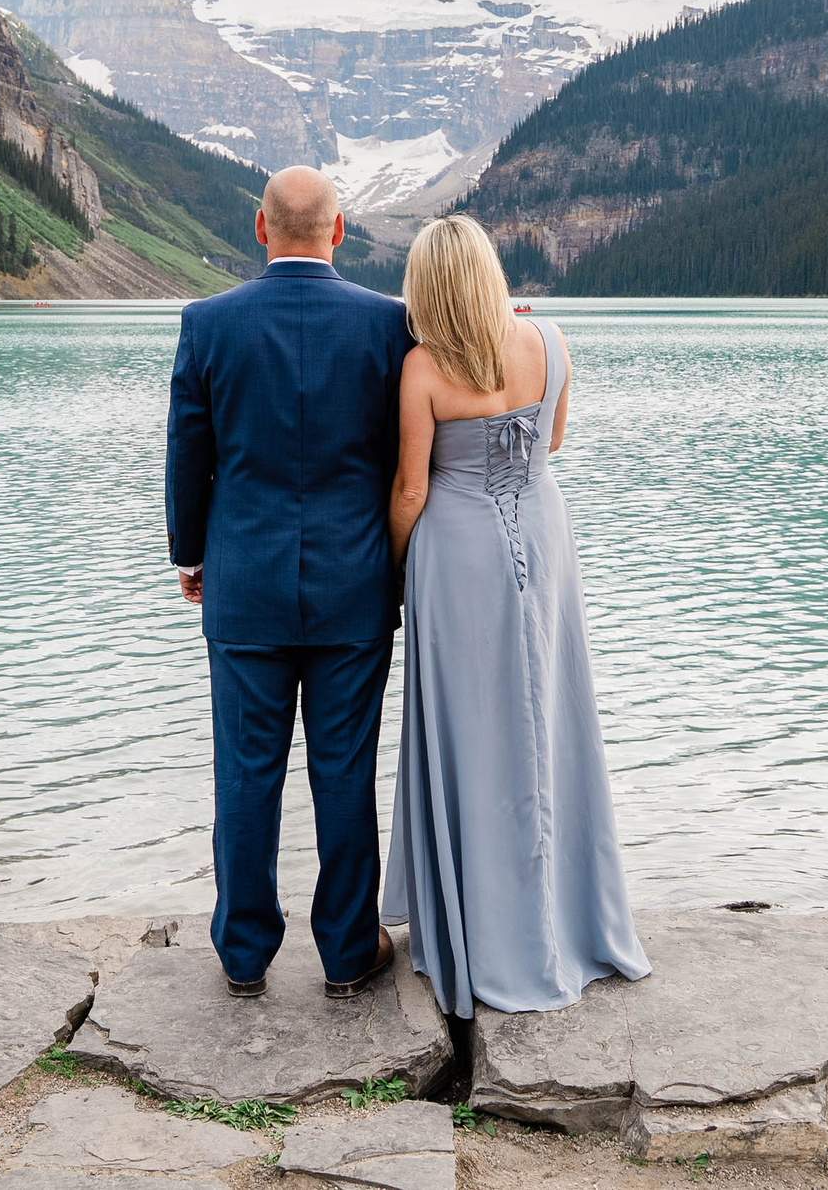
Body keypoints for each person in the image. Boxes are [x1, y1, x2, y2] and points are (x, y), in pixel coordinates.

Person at [380, 214, 649, 1017]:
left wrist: (396, 574)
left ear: (427, 286)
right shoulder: (551, 342)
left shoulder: (423, 366)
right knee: (551, 718)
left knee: (474, 730)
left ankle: (484, 928)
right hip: (542, 532)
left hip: (455, 553)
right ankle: (566, 918)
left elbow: (411, 490)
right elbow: (552, 443)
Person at [166, 165, 414, 999]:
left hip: (245, 586)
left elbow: (188, 457)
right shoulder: (390, 326)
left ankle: (243, 957)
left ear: (261, 227)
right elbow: (407, 460)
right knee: (345, 769)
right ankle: (347, 956)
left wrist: (190, 555)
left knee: (245, 770)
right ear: (339, 232)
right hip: (355, 586)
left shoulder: (208, 324)